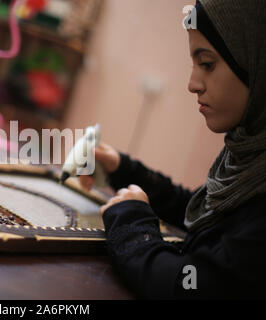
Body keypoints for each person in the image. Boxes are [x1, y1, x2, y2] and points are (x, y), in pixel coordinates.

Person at [80, 0, 266, 299]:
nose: (193, 84)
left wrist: (131, 223)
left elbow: (189, 285)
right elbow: (201, 214)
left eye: (207, 63)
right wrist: (123, 169)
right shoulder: (250, 162)